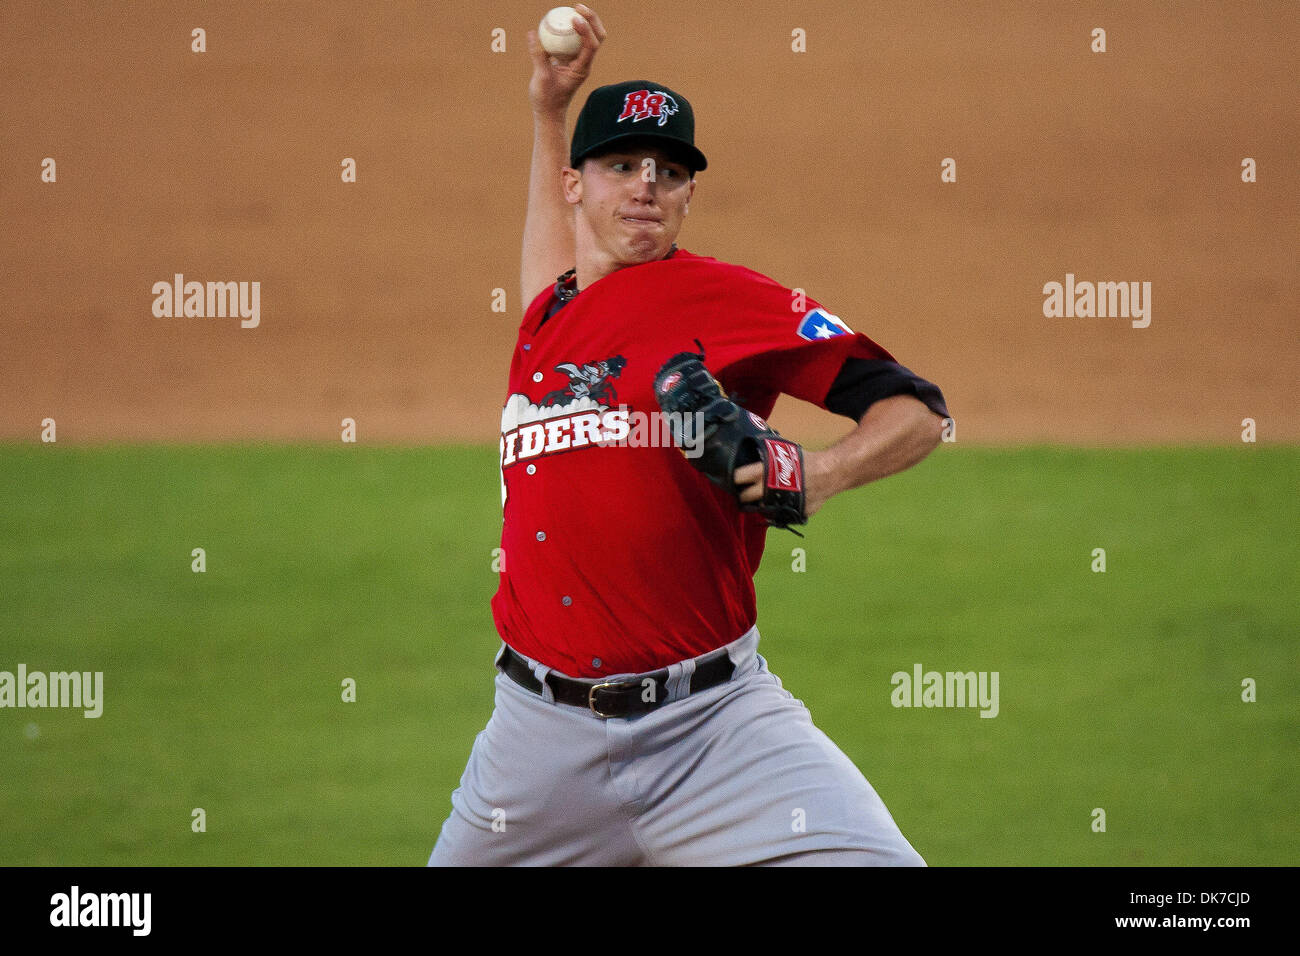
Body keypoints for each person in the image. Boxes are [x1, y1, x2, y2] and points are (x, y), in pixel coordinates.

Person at [428, 4, 949, 866]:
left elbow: (920, 412)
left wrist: (816, 475)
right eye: (621, 165)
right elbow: (552, 271)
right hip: (535, 751)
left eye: (669, 172)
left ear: (689, 195)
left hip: (715, 730)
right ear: (574, 186)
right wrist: (547, 112)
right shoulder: (550, 319)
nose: (645, 185)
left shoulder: (730, 302)